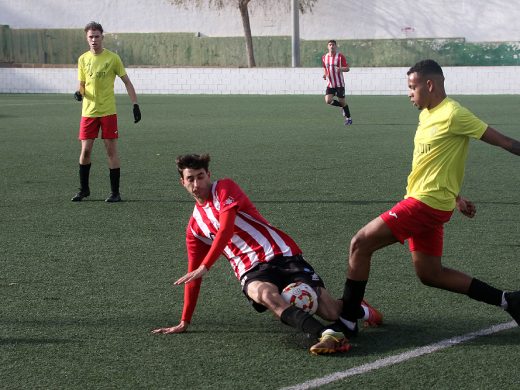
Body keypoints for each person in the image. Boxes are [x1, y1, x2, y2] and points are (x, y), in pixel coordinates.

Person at [336, 59, 520, 336]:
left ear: (430, 84)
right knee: (430, 274)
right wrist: (457, 196)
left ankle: (347, 320)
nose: (409, 93)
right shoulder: (426, 114)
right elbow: (438, 161)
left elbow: (505, 141)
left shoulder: (454, 113)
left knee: (360, 243)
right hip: (432, 202)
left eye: (412, 87)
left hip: (424, 204)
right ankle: (510, 300)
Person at [151, 153, 382, 355]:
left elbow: (226, 228)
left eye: (200, 176)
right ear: (182, 182)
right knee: (266, 296)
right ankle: (327, 335)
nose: (196, 183)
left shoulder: (224, 188)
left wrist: (206, 265)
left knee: (329, 310)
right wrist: (185, 320)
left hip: (282, 254)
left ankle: (360, 309)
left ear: (208, 174)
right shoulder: (194, 228)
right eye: (190, 179)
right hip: (250, 271)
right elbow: (193, 274)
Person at [71, 21, 141, 203]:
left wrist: (135, 104)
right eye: (90, 37)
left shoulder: (112, 58)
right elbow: (83, 84)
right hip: (88, 112)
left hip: (108, 112)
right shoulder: (83, 59)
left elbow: (127, 82)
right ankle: (84, 190)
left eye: (96, 36)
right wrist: (79, 93)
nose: (94, 40)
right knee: (85, 152)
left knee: (111, 151)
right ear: (87, 39)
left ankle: (115, 193)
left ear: (102, 37)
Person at [322, 40, 352, 126]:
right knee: (328, 100)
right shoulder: (324, 57)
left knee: (342, 101)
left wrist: (341, 69)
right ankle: (342, 107)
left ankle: (348, 118)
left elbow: (347, 68)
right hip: (330, 84)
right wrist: (325, 74)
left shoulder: (340, 57)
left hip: (339, 84)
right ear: (328, 46)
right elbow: (325, 68)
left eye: (333, 45)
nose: (331, 46)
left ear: (336, 46)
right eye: (330, 45)